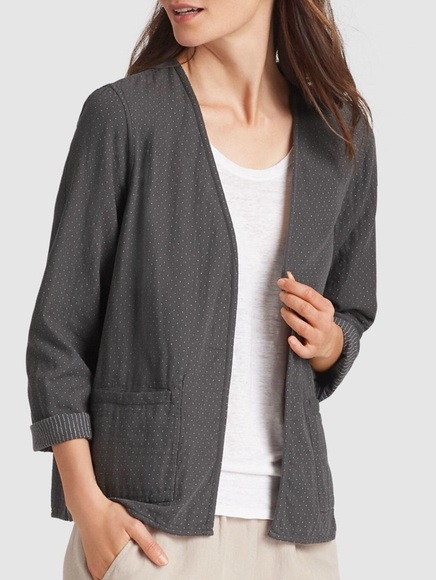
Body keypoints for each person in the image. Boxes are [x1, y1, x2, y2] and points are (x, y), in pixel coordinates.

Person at [26, 1, 378, 578]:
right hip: (150, 531)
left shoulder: (339, 132)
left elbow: (353, 308)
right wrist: (89, 510)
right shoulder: (126, 118)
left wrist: (331, 342)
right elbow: (57, 337)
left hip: (297, 537)